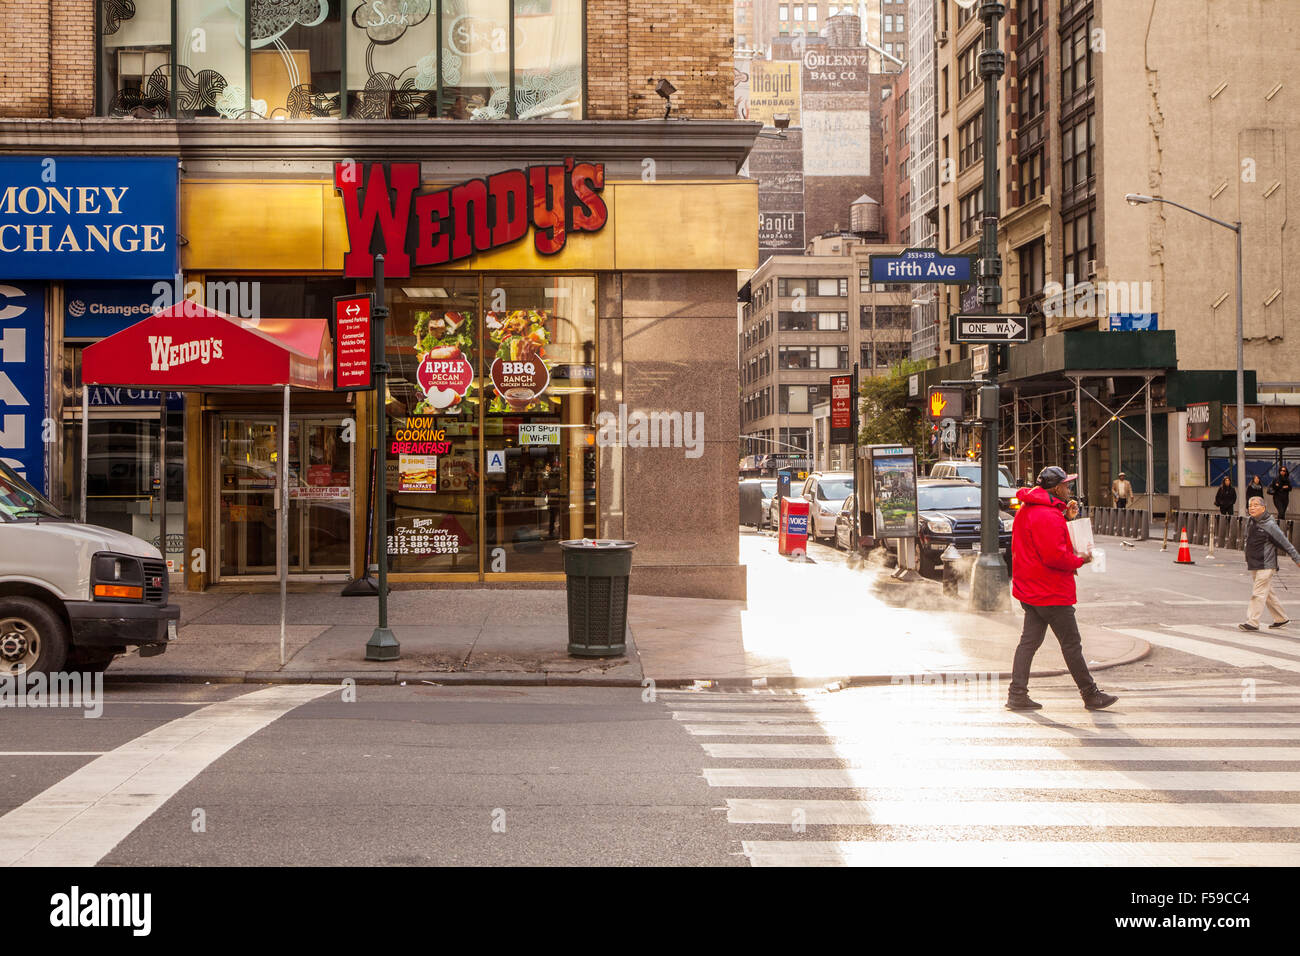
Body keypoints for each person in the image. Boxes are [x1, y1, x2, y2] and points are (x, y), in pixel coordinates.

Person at [1007, 466, 1118, 711]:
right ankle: (1090, 694)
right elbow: (1055, 556)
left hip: (1032, 589)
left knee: (1029, 642)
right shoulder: (1047, 516)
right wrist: (1083, 559)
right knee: (1071, 644)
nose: (1069, 489)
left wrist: (1066, 518)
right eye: (1066, 485)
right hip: (1051, 591)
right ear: (1056, 488)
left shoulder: (1028, 510)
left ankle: (1017, 694)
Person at [1240, 496, 1300, 631]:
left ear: (1263, 508)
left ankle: (1252, 622)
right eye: (1250, 505)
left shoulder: (1270, 525)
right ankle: (1281, 618)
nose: (1252, 508)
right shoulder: (1250, 521)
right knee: (1267, 594)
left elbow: (1286, 543)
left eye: (1256, 505)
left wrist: (1297, 559)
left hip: (1266, 565)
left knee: (1258, 593)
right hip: (1254, 563)